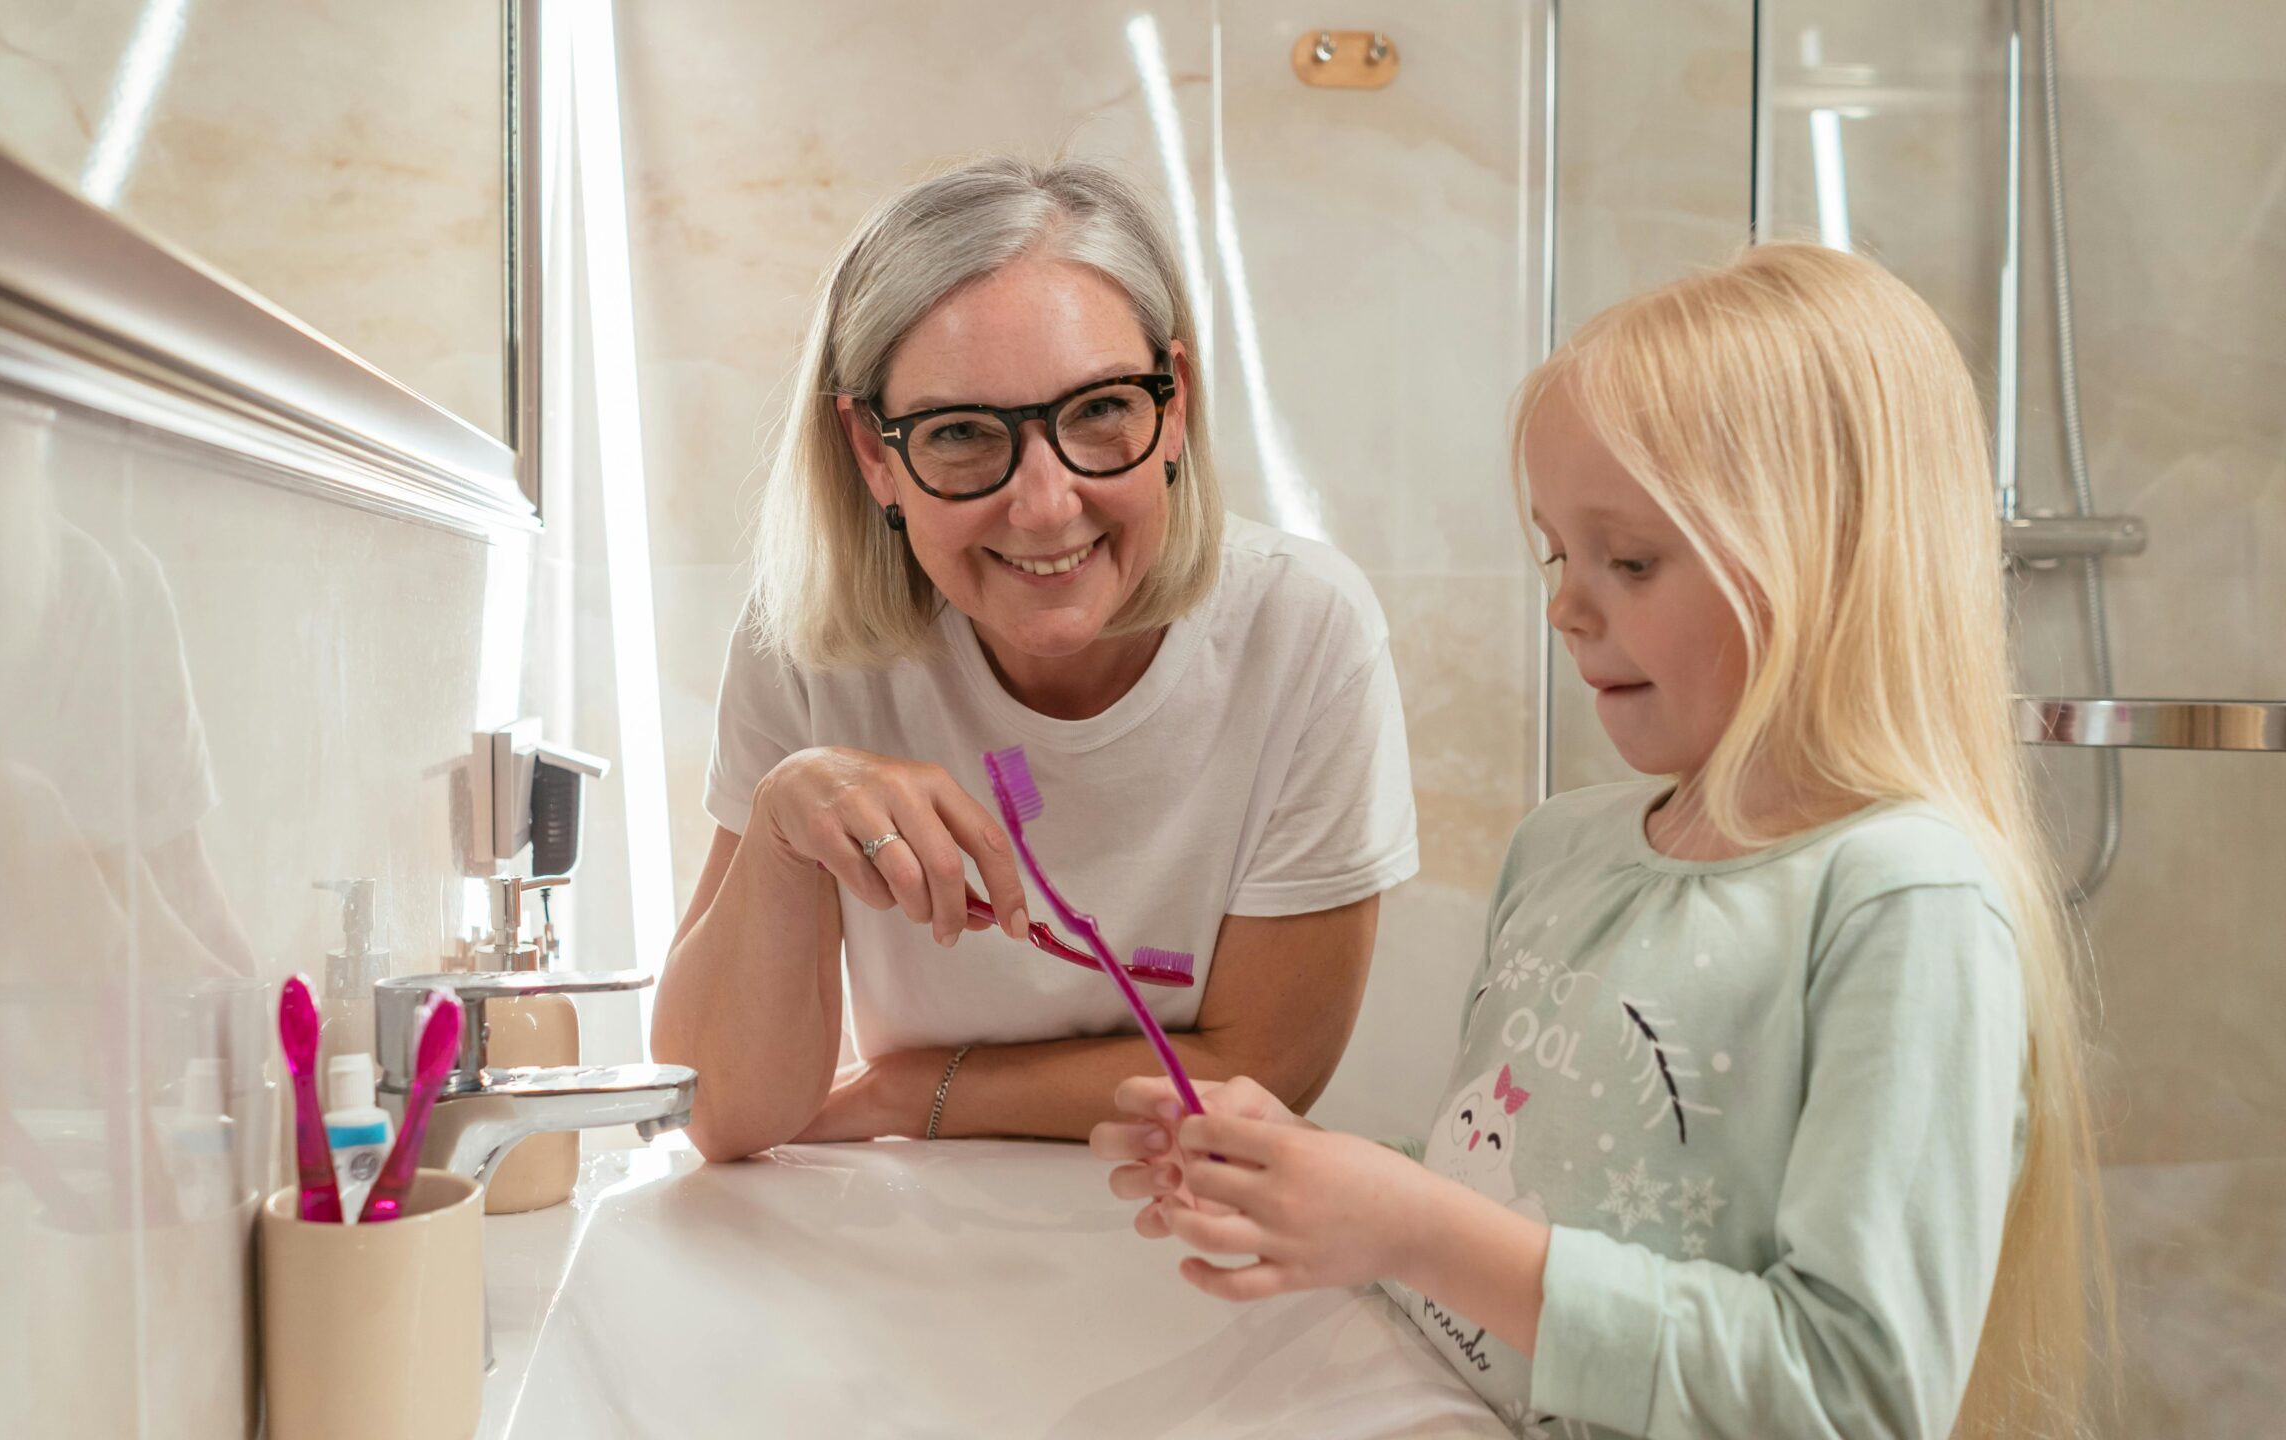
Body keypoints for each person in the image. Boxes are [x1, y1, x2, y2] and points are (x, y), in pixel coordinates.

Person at [1095, 243, 2109, 1438]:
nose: (1564, 607)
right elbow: (1533, 1201)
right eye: (1556, 554)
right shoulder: (1564, 851)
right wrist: (1299, 1174)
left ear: (1828, 562)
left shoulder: (1902, 900)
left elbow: (1855, 1395)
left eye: (1626, 559)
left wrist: (1413, 1225)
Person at [654, 155, 1419, 1162]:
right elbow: (716, 1110)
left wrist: (909, 1088)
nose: (1047, 504)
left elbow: (1259, 1069)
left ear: (1173, 402)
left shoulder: (1303, 631)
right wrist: (783, 819)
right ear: (874, 454)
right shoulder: (802, 645)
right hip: (916, 1244)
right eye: (963, 432)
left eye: (1100, 410)